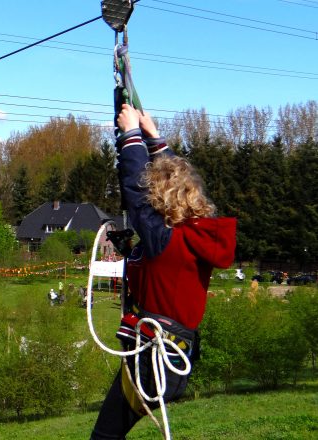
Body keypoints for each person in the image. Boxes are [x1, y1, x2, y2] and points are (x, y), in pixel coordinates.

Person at [90, 105, 236, 439]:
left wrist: (129, 137)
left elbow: (136, 195)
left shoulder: (164, 240)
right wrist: (155, 139)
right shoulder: (196, 234)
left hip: (155, 358)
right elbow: (176, 180)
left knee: (105, 436)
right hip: (175, 354)